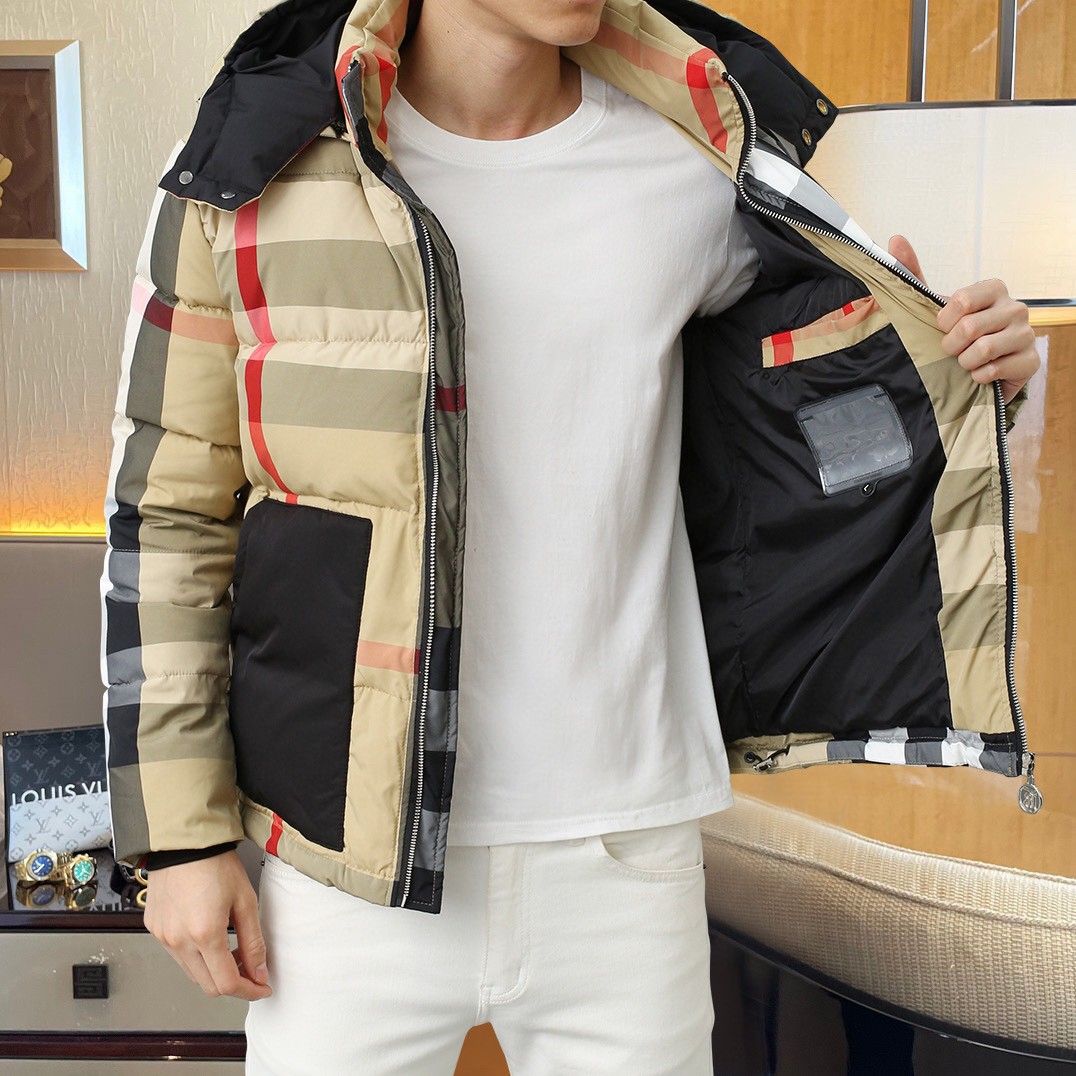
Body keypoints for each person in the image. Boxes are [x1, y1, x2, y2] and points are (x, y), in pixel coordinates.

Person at [99, 0, 1040, 1072]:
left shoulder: (694, 154)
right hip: (346, 862)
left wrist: (972, 369)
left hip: (626, 853)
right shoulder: (251, 161)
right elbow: (168, 514)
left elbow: (834, 405)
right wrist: (178, 837)